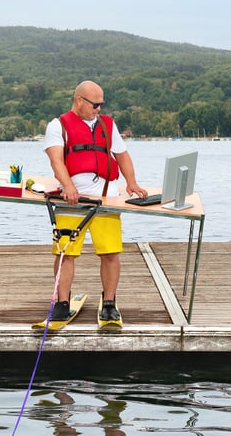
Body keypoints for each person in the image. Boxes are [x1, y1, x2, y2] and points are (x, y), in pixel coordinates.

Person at [43, 80, 147, 324]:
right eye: (95, 104)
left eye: (102, 104)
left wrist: (131, 182)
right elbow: (57, 161)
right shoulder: (57, 126)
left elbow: (122, 155)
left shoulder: (107, 125)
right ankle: (62, 302)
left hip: (106, 199)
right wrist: (68, 187)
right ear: (79, 100)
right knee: (65, 252)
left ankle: (109, 303)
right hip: (72, 202)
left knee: (110, 252)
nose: (99, 108)